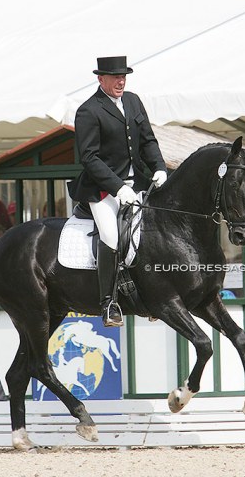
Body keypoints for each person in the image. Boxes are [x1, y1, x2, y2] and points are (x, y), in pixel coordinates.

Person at [67, 56, 167, 327]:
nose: (121, 81)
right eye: (115, 77)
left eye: (124, 76)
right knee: (111, 235)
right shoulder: (89, 110)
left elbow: (147, 138)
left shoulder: (133, 101)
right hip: (102, 189)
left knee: (160, 227)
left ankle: (157, 293)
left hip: (139, 182)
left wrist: (158, 166)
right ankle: (108, 303)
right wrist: (118, 187)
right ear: (101, 79)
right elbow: (89, 158)